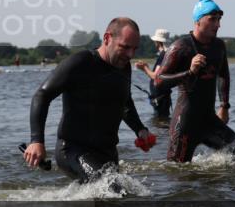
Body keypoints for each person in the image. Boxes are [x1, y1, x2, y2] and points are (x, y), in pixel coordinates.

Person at [24, 17, 154, 182]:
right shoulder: (80, 63)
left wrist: (140, 129)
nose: (130, 54)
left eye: (135, 49)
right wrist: (36, 141)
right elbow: (42, 95)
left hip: (107, 151)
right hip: (73, 150)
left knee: (119, 198)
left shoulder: (123, 66)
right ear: (107, 38)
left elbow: (124, 102)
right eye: (125, 47)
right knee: (111, 188)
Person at [155, 0, 235, 162]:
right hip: (185, 123)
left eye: (219, 20)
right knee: (177, 172)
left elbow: (223, 75)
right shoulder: (180, 47)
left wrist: (224, 106)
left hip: (208, 120)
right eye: (212, 19)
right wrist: (189, 72)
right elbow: (158, 81)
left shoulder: (219, 46)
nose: (218, 25)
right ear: (198, 21)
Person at [135, 28, 172, 120]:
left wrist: (144, 68)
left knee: (160, 121)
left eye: (155, 41)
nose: (154, 43)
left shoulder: (163, 55)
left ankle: (161, 134)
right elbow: (158, 74)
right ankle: (163, 134)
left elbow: (156, 76)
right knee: (161, 122)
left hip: (161, 99)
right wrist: (146, 67)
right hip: (162, 98)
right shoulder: (166, 55)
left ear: (158, 42)